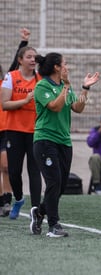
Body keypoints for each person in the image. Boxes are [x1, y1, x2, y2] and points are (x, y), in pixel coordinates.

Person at [31, 52, 99, 237]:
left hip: (64, 142)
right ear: (56, 67)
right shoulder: (42, 86)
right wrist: (67, 86)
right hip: (45, 140)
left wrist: (85, 88)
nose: (67, 67)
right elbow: (55, 106)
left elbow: (78, 107)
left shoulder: (64, 86)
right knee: (53, 182)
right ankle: (53, 225)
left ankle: (39, 213)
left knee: (60, 186)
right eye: (65, 64)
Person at [1, 43, 42, 220]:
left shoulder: (41, 79)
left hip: (36, 132)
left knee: (35, 171)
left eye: (34, 57)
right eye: (29, 57)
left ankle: (35, 209)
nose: (33, 60)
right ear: (20, 60)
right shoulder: (11, 77)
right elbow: (5, 104)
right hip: (14, 131)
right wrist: (25, 101)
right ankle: (18, 199)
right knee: (14, 172)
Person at [0, 28, 31, 217]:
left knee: (5, 166)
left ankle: (7, 200)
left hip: (5, 130)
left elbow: (14, 66)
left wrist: (23, 43)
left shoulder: (5, 82)